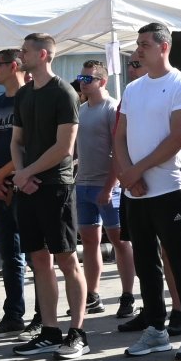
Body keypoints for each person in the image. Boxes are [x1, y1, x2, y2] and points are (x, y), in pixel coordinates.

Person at [112, 23, 181, 359]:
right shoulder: (134, 88)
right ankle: (155, 329)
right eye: (137, 44)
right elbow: (119, 136)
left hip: (170, 188)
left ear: (163, 47)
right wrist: (127, 174)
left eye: (144, 44)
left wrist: (136, 171)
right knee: (145, 263)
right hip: (136, 192)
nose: (138, 50)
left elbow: (178, 138)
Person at [10, 34, 88, 360]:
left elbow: (64, 148)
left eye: (25, 51)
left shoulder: (64, 93)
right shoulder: (24, 93)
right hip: (28, 187)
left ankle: (78, 332)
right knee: (39, 260)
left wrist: (28, 173)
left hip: (56, 186)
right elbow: (17, 142)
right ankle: (50, 330)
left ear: (42, 55)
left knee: (67, 259)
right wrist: (20, 173)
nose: (20, 56)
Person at [73, 61, 128, 318]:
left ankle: (127, 295)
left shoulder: (111, 107)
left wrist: (110, 186)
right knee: (89, 242)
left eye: (88, 79)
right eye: (81, 78)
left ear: (102, 81)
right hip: (83, 184)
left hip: (107, 186)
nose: (83, 82)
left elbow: (119, 150)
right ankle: (92, 294)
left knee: (119, 241)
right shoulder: (81, 109)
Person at [0, 51, 30, 336]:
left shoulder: (30, 99)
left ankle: (41, 316)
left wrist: (1, 176)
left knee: (38, 255)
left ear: (13, 66)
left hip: (24, 186)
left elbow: (30, 145)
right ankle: (13, 314)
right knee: (9, 255)